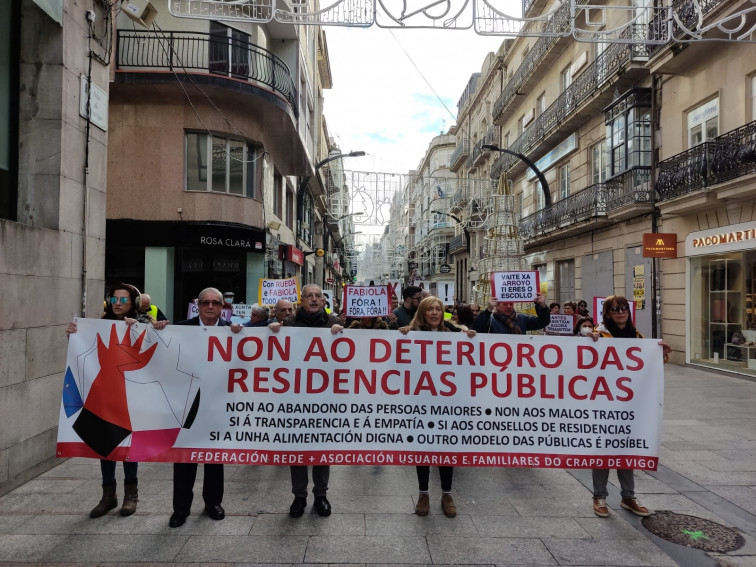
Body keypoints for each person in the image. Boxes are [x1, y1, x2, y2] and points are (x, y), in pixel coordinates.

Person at [65, 283, 168, 519]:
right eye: (114, 299)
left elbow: (158, 350)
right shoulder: (96, 325)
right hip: (102, 396)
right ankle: (107, 496)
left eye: (123, 299)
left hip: (129, 396)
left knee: (127, 447)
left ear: (133, 302)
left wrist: (149, 327)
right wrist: (72, 335)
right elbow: (82, 353)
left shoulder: (143, 323)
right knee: (104, 445)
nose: (118, 303)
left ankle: (131, 496)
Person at [590, 295, 671, 519]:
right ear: (607, 313)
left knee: (625, 448)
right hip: (604, 403)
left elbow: (650, 364)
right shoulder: (599, 335)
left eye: (624, 308)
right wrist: (590, 337)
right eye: (615, 308)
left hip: (629, 404)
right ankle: (599, 496)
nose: (620, 312)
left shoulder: (638, 337)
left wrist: (661, 353)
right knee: (603, 450)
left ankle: (628, 496)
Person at [170, 287, 243, 528]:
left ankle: (213, 503)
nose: (210, 307)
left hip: (217, 405)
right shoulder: (180, 329)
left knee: (214, 458)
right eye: (205, 303)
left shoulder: (234, 332)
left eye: (215, 303)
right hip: (187, 405)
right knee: (184, 459)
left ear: (223, 307)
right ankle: (181, 509)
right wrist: (158, 329)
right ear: (197, 305)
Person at [269, 284, 343, 518]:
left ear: (324, 301)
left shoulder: (334, 323)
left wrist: (343, 332)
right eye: (309, 296)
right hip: (296, 398)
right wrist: (270, 331)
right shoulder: (288, 325)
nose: (313, 299)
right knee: (297, 448)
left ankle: (321, 495)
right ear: (301, 301)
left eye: (317, 296)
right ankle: (299, 497)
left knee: (322, 448)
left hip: (324, 399)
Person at [399, 296, 476, 518]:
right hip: (420, 402)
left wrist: (468, 336)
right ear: (422, 312)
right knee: (422, 449)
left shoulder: (454, 335)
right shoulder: (409, 334)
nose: (434, 313)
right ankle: (423, 494)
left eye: (438, 309)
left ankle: (446, 494)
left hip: (447, 402)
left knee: (445, 448)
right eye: (430, 309)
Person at [473, 294, 550, 334]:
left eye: (511, 304)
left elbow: (543, 322)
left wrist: (542, 306)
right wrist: (488, 310)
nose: (509, 307)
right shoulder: (490, 321)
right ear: (497, 305)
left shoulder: (522, 319)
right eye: (505, 304)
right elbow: (477, 328)